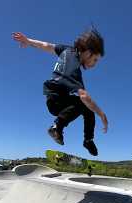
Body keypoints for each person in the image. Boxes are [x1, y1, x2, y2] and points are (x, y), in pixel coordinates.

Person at [12, 27, 108, 156]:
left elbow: (46, 46)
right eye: (95, 60)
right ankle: (57, 127)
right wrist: (102, 114)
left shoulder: (67, 50)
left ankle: (88, 140)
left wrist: (27, 40)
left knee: (87, 109)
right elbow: (84, 96)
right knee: (84, 104)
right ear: (87, 52)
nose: (95, 64)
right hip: (57, 103)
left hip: (54, 98)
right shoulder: (74, 70)